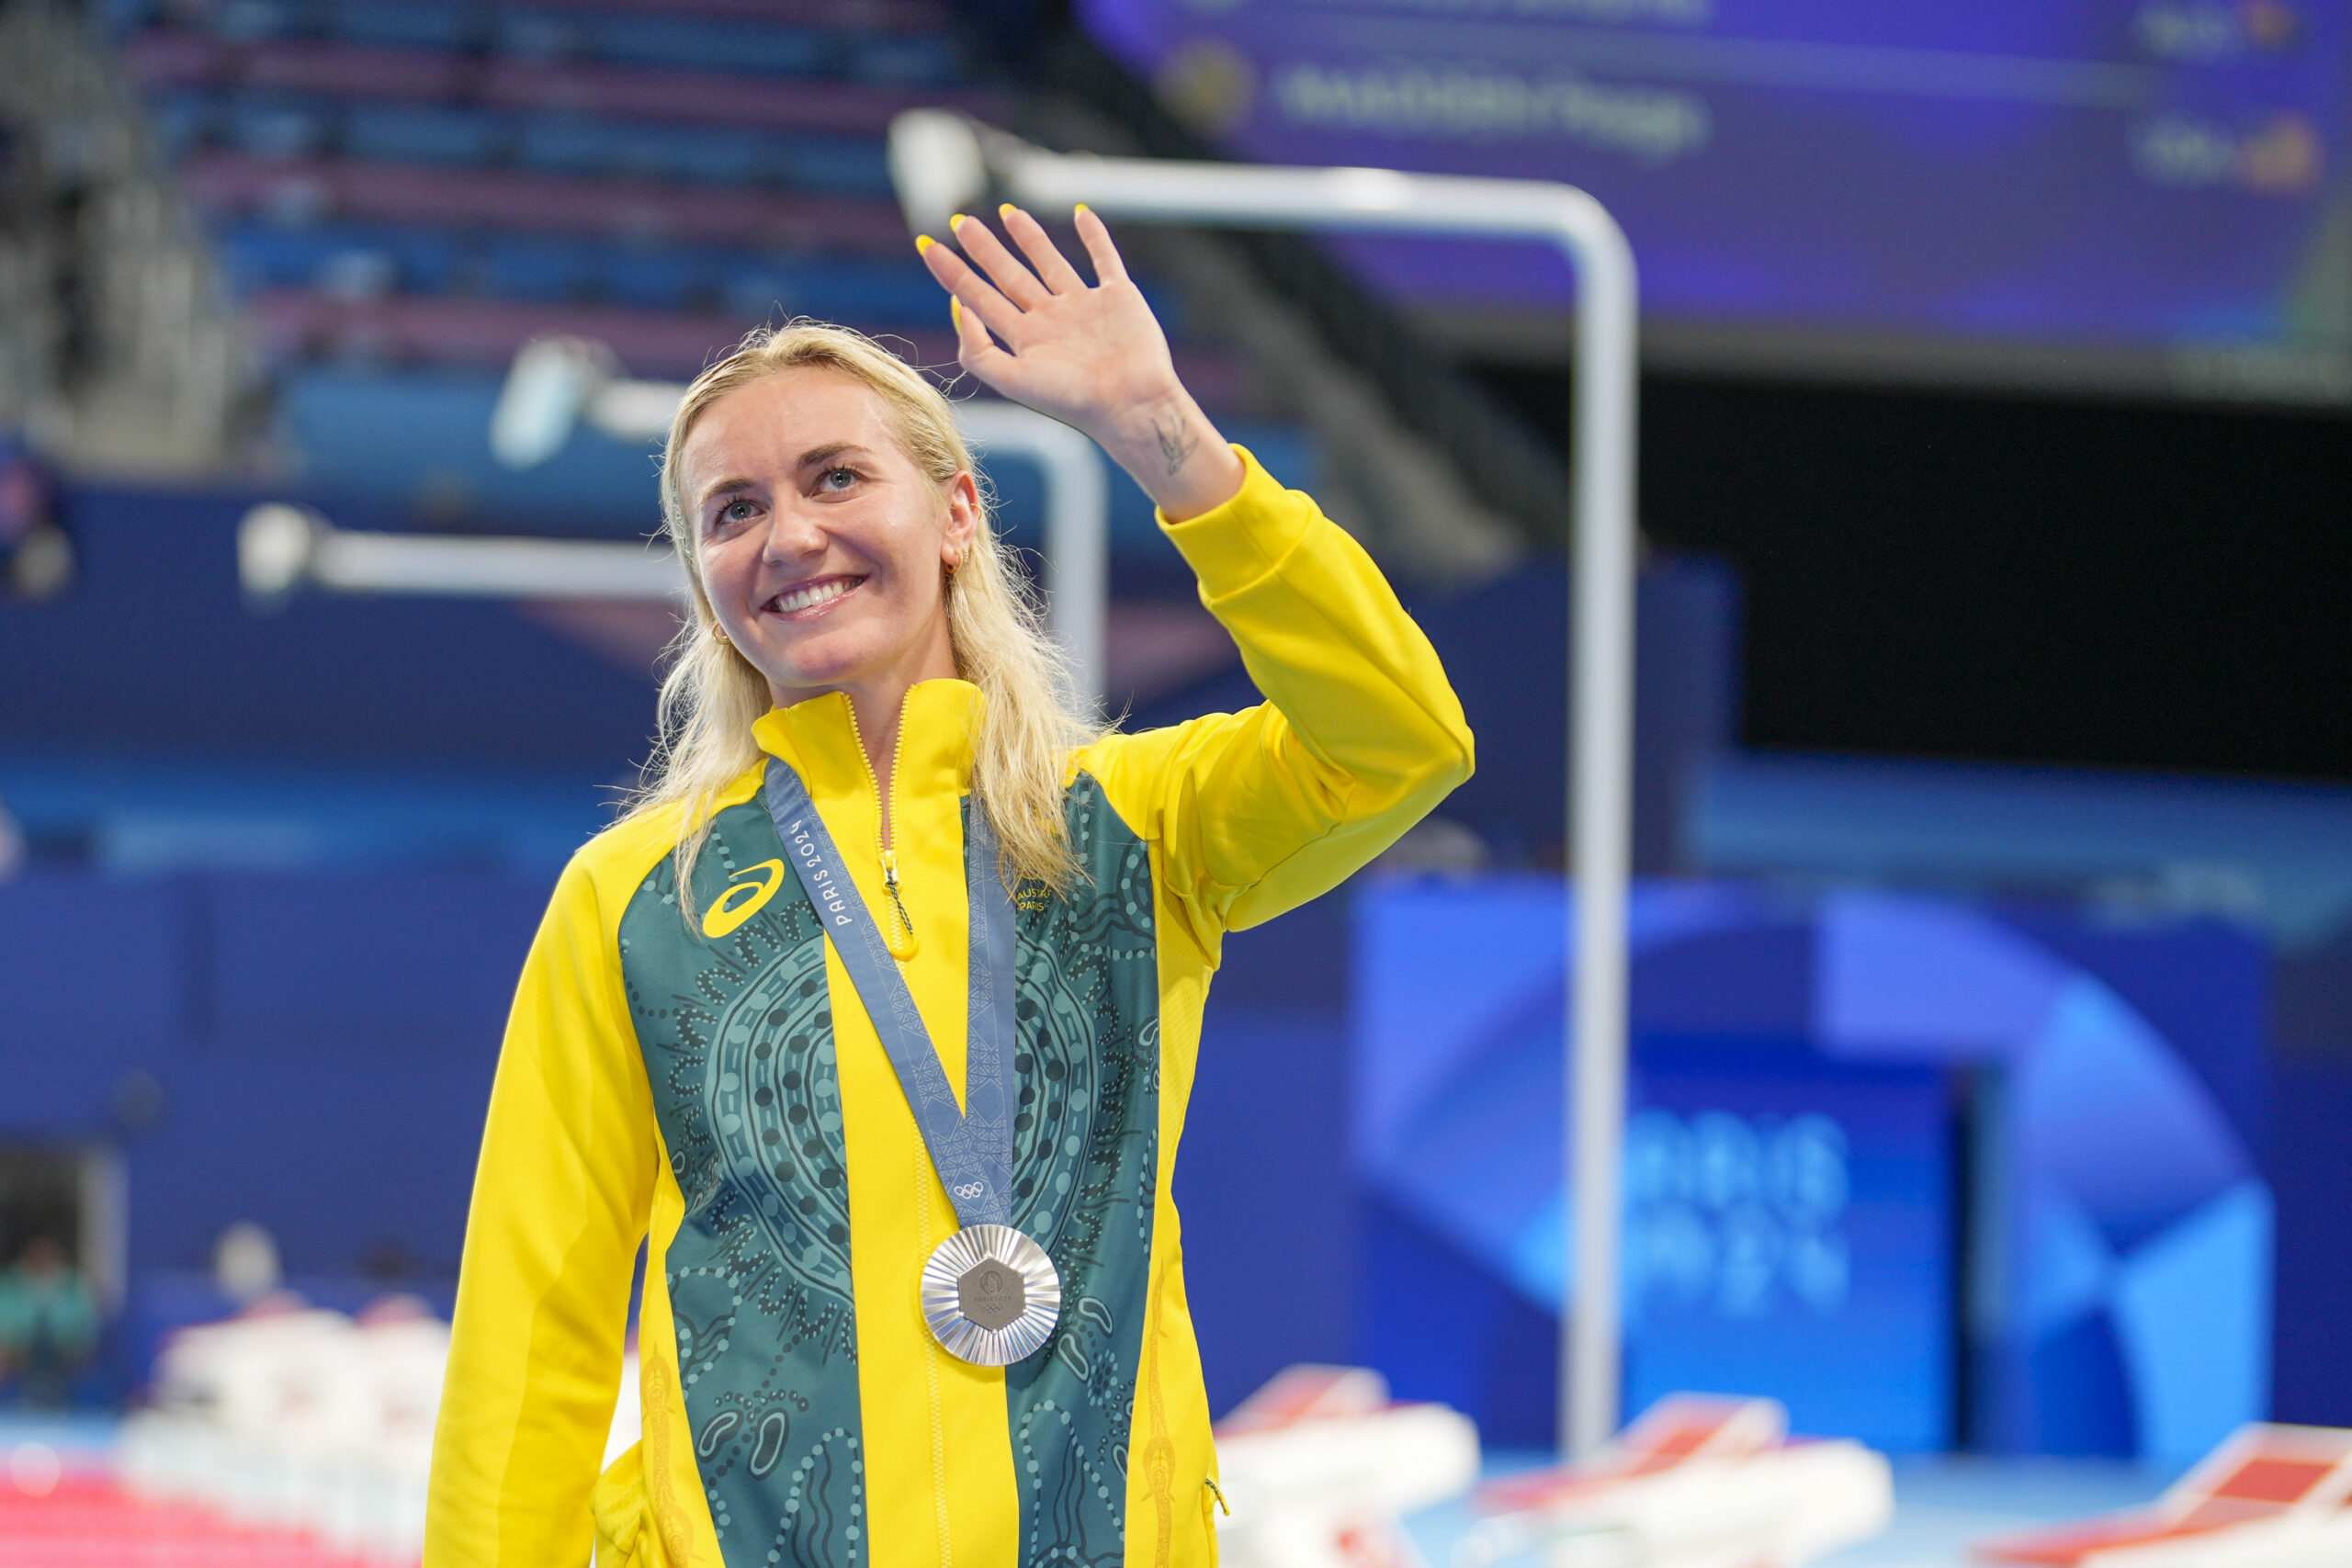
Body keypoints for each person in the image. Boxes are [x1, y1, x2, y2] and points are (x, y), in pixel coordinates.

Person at [425, 205, 1472, 1568]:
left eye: (836, 477)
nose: (789, 535)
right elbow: (531, 1323)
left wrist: (1169, 435)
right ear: (706, 582)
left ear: (959, 511)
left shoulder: (1137, 826)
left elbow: (1397, 736)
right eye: (733, 512)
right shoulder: (634, 895)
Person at [0, 1235, 99, 1407]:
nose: (42, 1257)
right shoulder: (10, 1282)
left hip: (64, 1348)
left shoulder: (73, 1284)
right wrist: (11, 1344)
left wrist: (72, 1342)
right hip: (18, 1350)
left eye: (47, 1253)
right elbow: (5, 1319)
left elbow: (87, 1321)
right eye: (37, 1253)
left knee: (82, 1362)